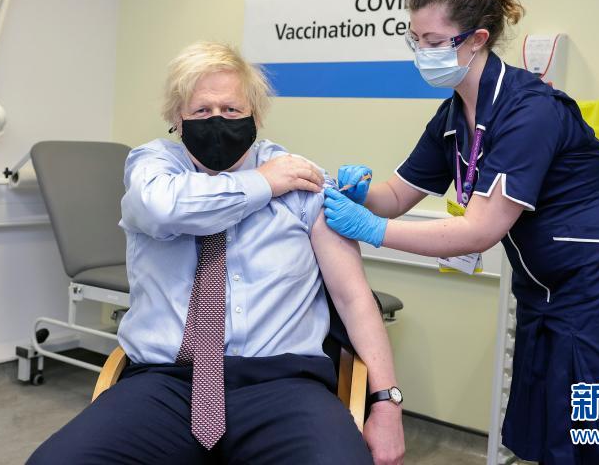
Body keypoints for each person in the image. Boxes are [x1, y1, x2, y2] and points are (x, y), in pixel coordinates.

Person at [323, 0, 599, 464]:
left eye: (433, 41)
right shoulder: (454, 115)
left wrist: (370, 229)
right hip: (546, 292)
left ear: (476, 39)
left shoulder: (530, 111)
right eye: (415, 39)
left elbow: (479, 230)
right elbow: (398, 195)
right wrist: (364, 194)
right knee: (556, 444)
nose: (422, 52)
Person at [29, 41, 405, 465]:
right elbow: (161, 208)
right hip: (164, 383)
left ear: (255, 116)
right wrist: (263, 184)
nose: (217, 121)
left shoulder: (300, 179)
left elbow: (353, 298)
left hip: (284, 384)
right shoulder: (153, 168)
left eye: (230, 109)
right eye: (201, 111)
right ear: (177, 119)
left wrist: (386, 404)